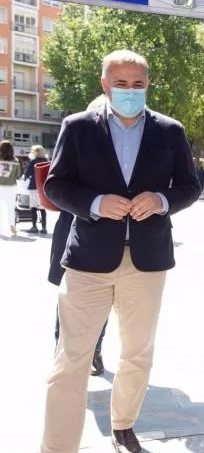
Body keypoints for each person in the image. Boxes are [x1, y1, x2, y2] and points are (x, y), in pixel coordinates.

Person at [38, 50, 201, 453]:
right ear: (104, 85)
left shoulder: (170, 130)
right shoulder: (77, 127)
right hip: (88, 260)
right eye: (121, 84)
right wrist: (93, 203)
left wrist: (163, 200)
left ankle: (124, 426)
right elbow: (55, 184)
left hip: (146, 263)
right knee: (70, 358)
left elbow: (190, 185)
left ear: (148, 85)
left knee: (137, 353)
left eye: (138, 83)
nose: (130, 91)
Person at [49, 96, 112, 378]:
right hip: (75, 233)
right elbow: (58, 187)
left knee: (103, 299)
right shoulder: (75, 139)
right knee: (70, 302)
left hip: (108, 243)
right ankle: (64, 354)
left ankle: (94, 349)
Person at [23, 145, 50, 234]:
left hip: (34, 187)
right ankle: (44, 228)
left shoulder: (33, 162)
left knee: (34, 208)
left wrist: (25, 178)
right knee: (43, 208)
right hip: (43, 188)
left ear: (36, 152)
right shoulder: (47, 162)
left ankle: (34, 227)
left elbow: (27, 174)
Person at [0, 139, 21, 237]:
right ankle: (12, 227)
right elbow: (18, 175)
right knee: (10, 208)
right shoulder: (16, 161)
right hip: (11, 187)